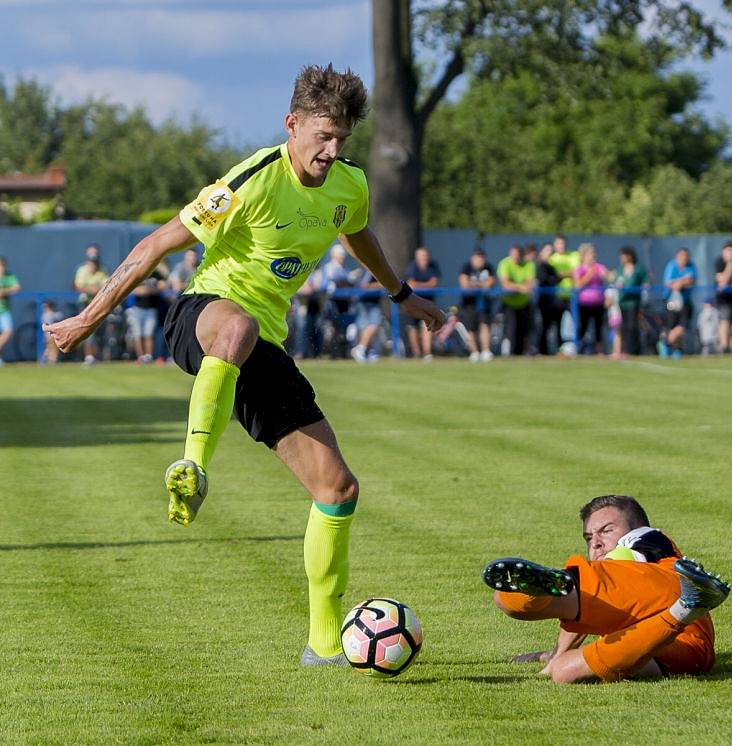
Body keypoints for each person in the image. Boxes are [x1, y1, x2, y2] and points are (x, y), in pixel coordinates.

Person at [43, 64, 445, 667]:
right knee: (238, 324)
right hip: (201, 319)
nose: (332, 151)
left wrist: (400, 293)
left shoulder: (349, 186)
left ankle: (324, 645)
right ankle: (193, 466)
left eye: (342, 140)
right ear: (293, 124)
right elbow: (156, 244)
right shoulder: (253, 179)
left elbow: (357, 233)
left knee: (337, 489)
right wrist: (88, 318)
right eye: (322, 136)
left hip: (262, 348)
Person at [483, 494, 731, 683]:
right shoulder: (617, 576)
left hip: (667, 597)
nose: (597, 543)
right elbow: (587, 612)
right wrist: (553, 657)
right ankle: (686, 607)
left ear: (635, 527)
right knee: (564, 672)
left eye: (606, 530)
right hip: (676, 649)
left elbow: (596, 590)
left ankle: (529, 593)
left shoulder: (646, 540)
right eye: (589, 538)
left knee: (508, 597)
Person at [403, 246, 441, 361]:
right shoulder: (412, 266)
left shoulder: (433, 266)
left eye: (426, 256)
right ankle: (417, 353)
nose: (425, 258)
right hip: (413, 302)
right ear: (417, 257)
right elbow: (411, 283)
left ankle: (427, 353)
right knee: (413, 328)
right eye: (422, 256)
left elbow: (434, 283)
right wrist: (426, 285)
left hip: (428, 302)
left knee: (428, 326)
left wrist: (419, 285)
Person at [73, 246, 109, 364]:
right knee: (87, 331)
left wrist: (92, 289)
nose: (93, 264)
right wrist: (94, 289)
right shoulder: (82, 270)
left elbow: (106, 287)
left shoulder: (103, 270)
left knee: (100, 332)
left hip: (99, 305)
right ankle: (89, 357)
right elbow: (78, 286)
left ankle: (97, 356)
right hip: (85, 305)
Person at [458, 248, 495, 362]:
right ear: (473, 258)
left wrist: (474, 284)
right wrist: (480, 285)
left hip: (483, 303)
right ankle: (474, 352)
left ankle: (486, 351)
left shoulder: (489, 267)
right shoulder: (466, 267)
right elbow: (464, 285)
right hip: (468, 304)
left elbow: (491, 283)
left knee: (485, 325)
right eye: (477, 257)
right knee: (471, 328)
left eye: (482, 258)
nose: (480, 260)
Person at [497, 244, 535, 356]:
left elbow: (529, 284)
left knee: (526, 330)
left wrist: (519, 287)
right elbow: (505, 284)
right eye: (512, 255)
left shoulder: (529, 264)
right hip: (509, 303)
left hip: (524, 303)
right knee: (511, 330)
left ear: (521, 256)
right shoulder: (504, 263)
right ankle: (511, 354)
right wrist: (521, 287)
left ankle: (524, 353)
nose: (514, 258)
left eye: (517, 256)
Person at [573, 243, 609, 355]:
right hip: (584, 303)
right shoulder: (579, 269)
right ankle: (578, 350)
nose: (593, 256)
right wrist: (589, 274)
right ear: (584, 255)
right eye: (590, 253)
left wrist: (610, 275)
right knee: (582, 327)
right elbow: (577, 285)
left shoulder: (599, 267)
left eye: (594, 253)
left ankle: (600, 352)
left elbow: (608, 276)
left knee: (599, 328)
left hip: (598, 303)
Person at [660, 247, 696, 358]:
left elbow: (691, 280)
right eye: (681, 256)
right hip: (670, 302)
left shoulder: (691, 266)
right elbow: (669, 283)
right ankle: (674, 348)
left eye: (685, 256)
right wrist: (682, 281)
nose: (683, 258)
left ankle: (666, 343)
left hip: (685, 302)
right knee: (671, 326)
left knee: (682, 327)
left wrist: (679, 282)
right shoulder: (672, 266)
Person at [613, 246, 648, 357]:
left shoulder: (639, 268)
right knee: (624, 327)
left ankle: (634, 350)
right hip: (623, 302)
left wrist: (645, 286)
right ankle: (625, 350)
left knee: (633, 326)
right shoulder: (620, 269)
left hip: (634, 302)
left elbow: (646, 282)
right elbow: (615, 281)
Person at [548, 234, 580, 351]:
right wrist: (568, 273)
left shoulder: (574, 255)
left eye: (563, 243)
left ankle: (577, 347)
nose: (562, 246)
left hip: (573, 296)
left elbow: (576, 272)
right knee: (556, 324)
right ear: (555, 245)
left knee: (577, 322)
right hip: (558, 296)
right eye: (559, 243)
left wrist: (561, 274)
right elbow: (553, 276)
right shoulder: (552, 259)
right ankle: (558, 349)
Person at [350, 268, 384, 362]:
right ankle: (361, 348)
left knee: (367, 328)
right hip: (366, 302)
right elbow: (364, 286)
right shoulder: (369, 270)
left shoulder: (370, 270)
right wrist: (380, 285)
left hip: (370, 302)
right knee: (374, 325)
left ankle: (369, 351)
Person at [535, 243, 560, 355]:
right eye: (547, 251)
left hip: (551, 301)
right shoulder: (538, 266)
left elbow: (556, 280)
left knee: (551, 326)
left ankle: (553, 350)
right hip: (541, 302)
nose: (549, 254)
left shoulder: (551, 267)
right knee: (541, 327)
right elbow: (544, 280)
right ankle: (540, 350)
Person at [0, 256, 21, 363]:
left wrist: (4, 291)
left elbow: (17, 287)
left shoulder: (9, 276)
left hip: (4, 310)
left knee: (7, 331)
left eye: (2, 266)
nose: (1, 269)